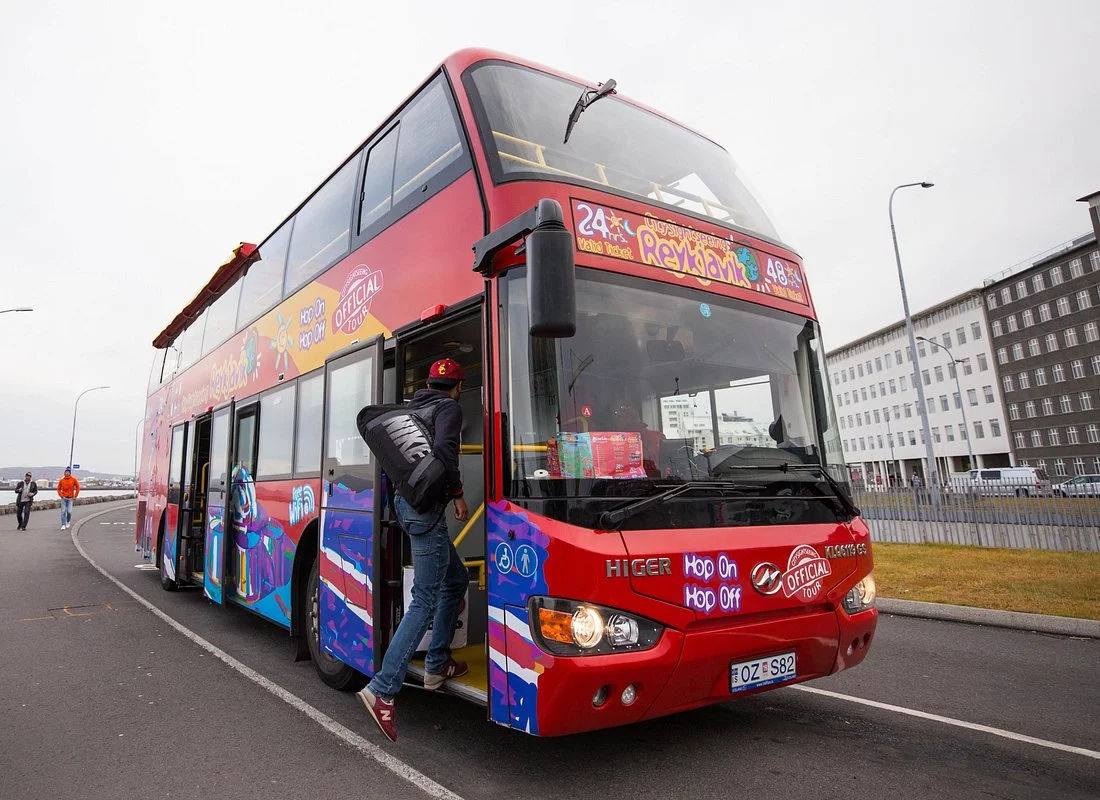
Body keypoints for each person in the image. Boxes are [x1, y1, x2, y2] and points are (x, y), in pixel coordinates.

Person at [358, 357, 470, 742]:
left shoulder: (411, 410)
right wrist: (456, 494)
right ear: (457, 387)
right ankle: (383, 690)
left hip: (406, 508)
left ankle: (437, 664)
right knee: (424, 600)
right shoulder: (450, 409)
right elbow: (445, 452)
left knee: (455, 580)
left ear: (427, 383)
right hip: (428, 513)